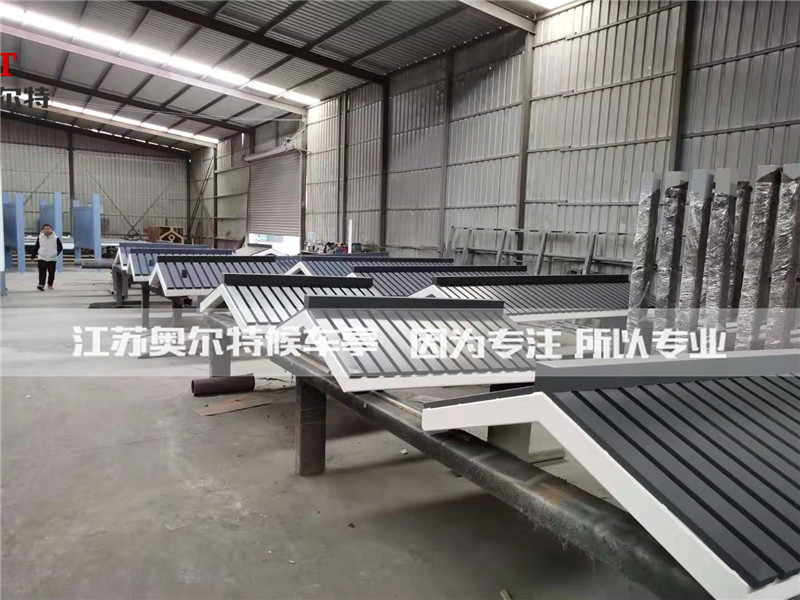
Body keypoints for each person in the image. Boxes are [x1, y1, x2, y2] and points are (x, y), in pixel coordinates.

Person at [31, 223, 63, 291]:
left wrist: (55, 254)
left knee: (51, 273)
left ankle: (50, 284)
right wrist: (33, 256)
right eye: (45, 229)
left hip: (52, 258)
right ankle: (41, 284)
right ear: (43, 230)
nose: (47, 230)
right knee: (42, 272)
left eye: (48, 228)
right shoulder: (40, 238)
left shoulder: (55, 238)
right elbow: (36, 247)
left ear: (51, 229)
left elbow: (60, 247)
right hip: (42, 257)